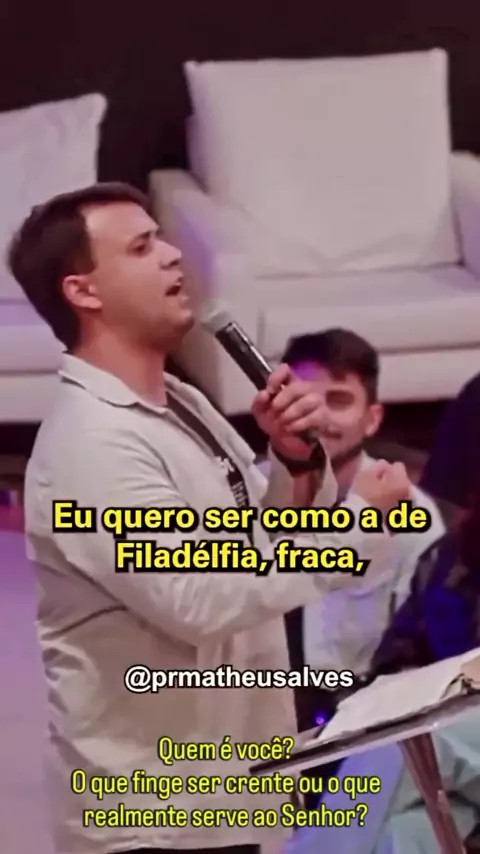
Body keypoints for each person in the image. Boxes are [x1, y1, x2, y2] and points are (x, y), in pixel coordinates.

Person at [8, 183, 410, 854]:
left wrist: (294, 463)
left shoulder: (180, 401)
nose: (172, 255)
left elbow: (250, 544)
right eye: (142, 247)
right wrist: (359, 524)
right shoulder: (93, 445)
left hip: (223, 790)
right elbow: (200, 595)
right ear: (84, 291)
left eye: (161, 238)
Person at [261, 330, 444, 695]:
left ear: (372, 419)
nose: (317, 416)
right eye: (303, 399)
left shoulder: (410, 512)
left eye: (338, 400)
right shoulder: (242, 492)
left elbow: (420, 658)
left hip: (360, 705)